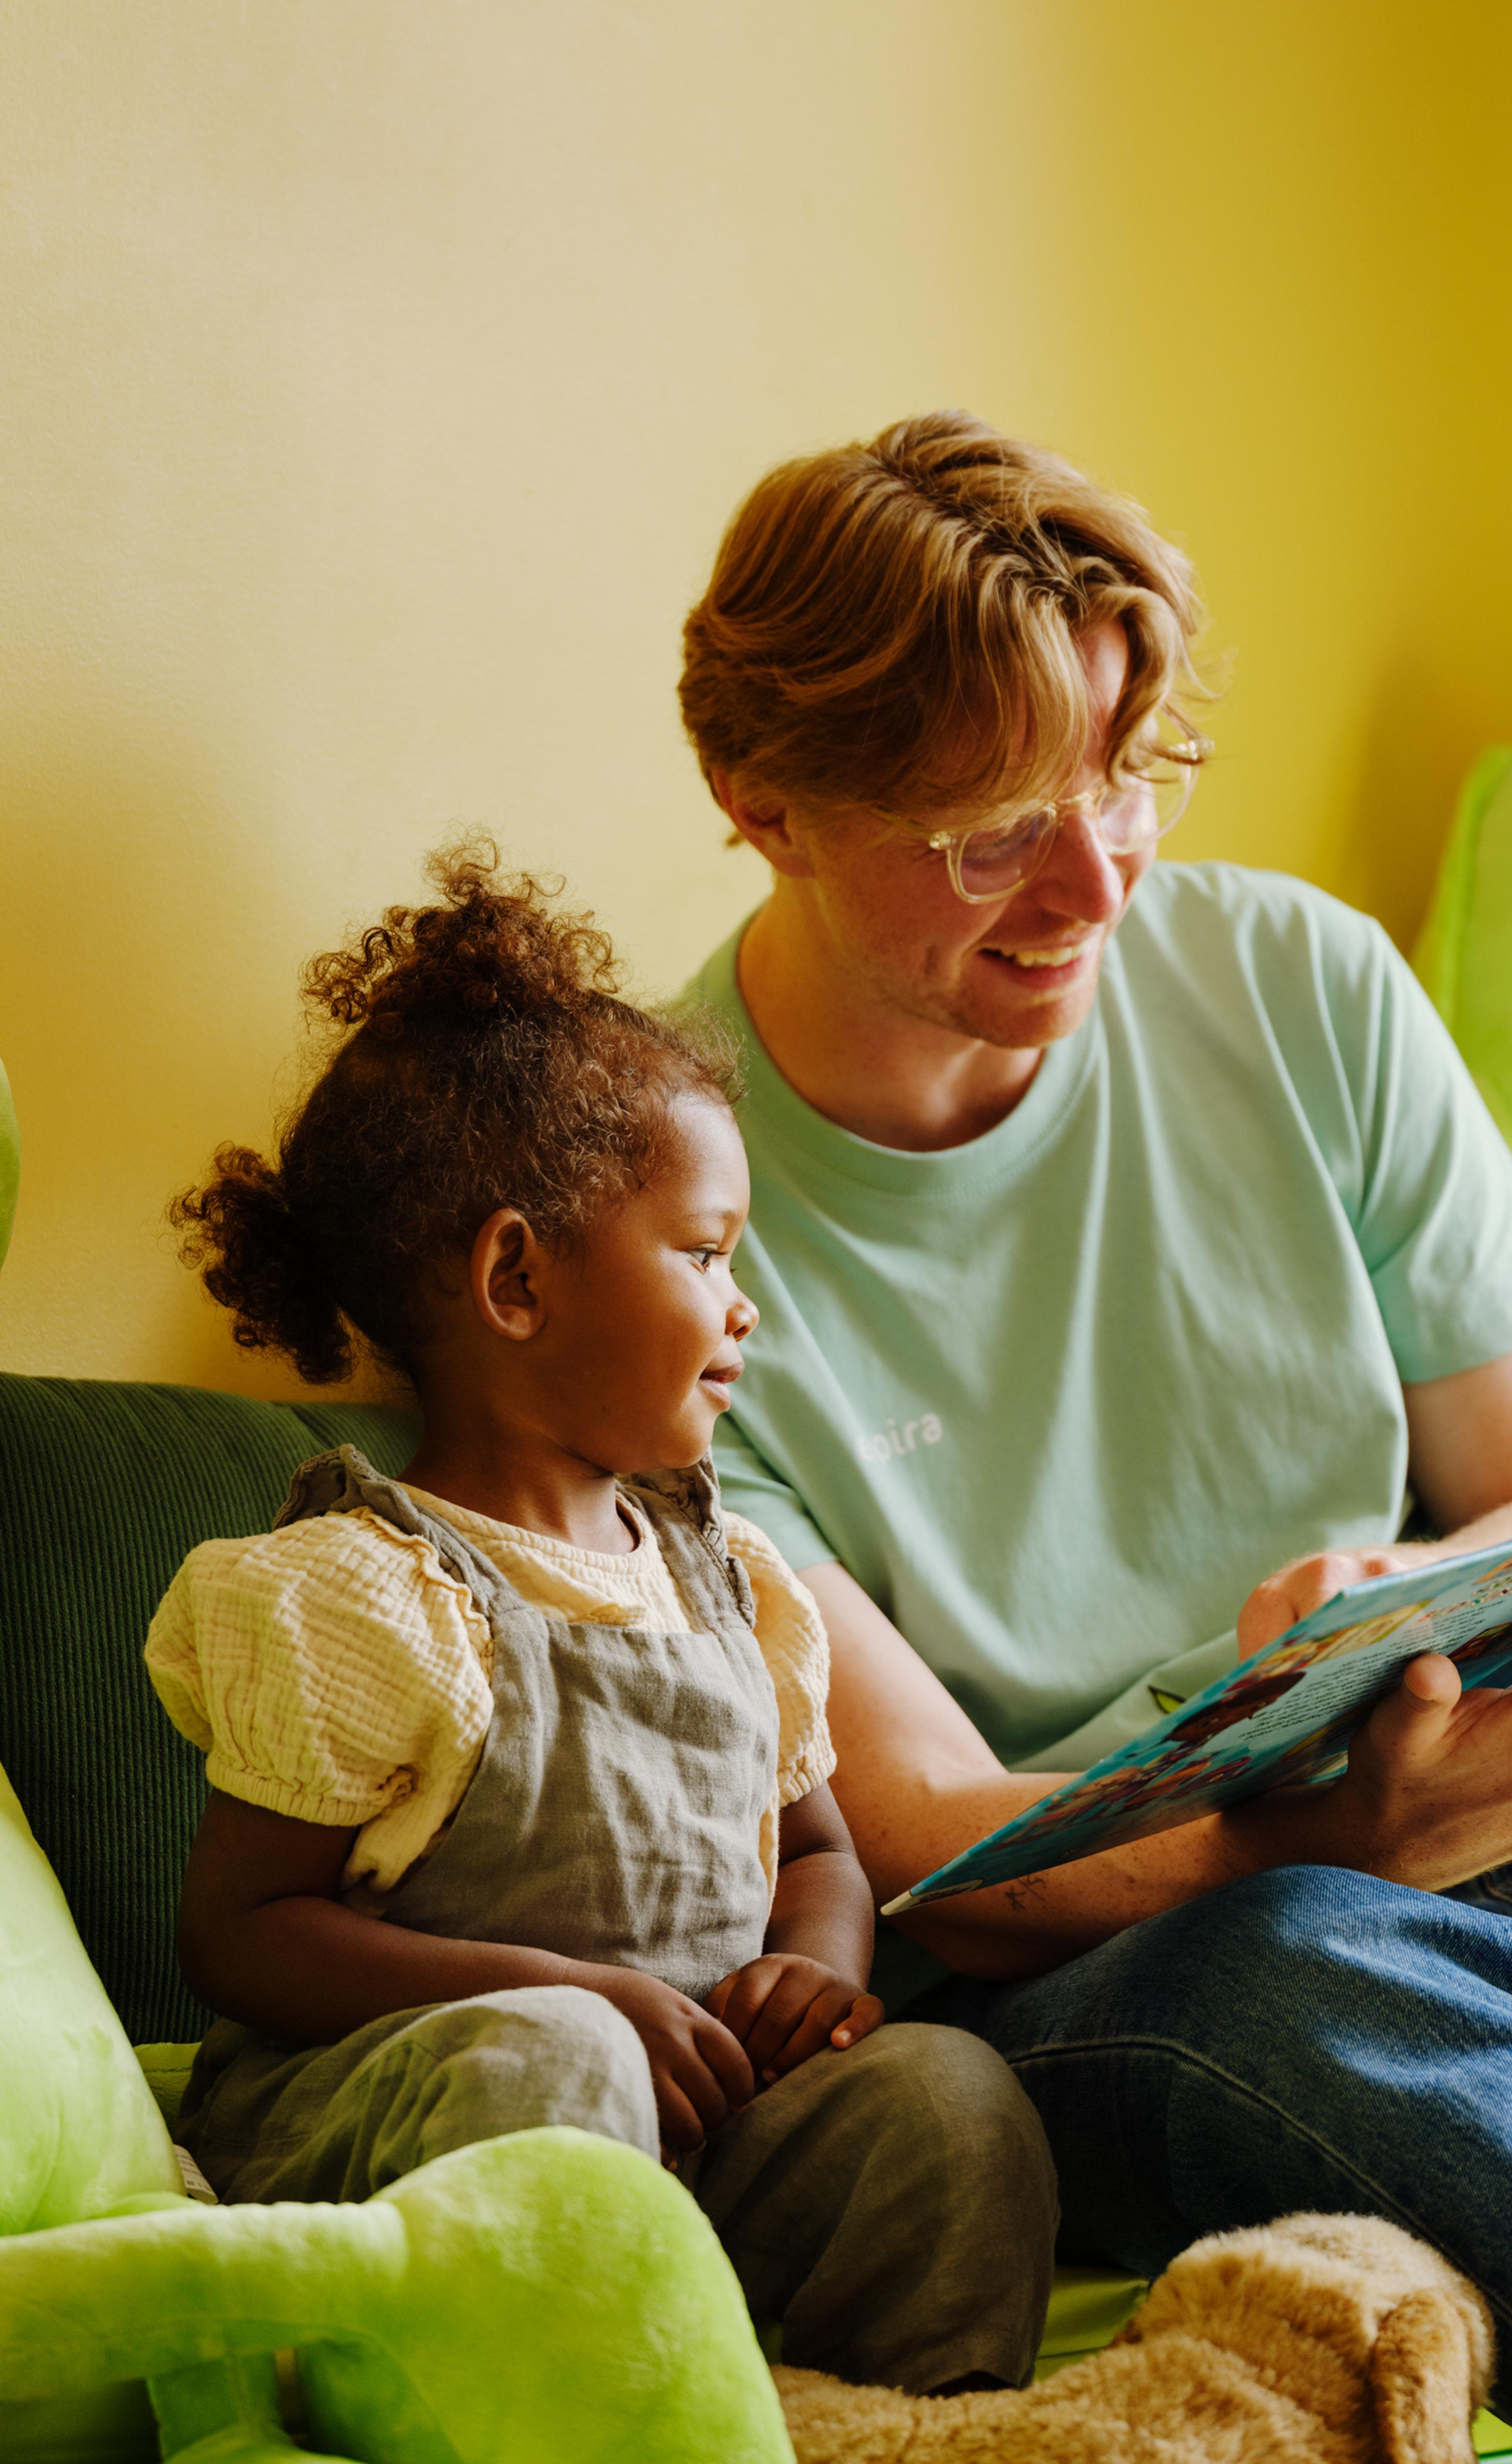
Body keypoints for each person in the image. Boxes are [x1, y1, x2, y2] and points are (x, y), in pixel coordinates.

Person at [677, 411, 1512, 2464]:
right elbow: (945, 1850)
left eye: (1127, 774)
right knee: (1306, 1957)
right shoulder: (661, 1223)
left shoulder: (1301, 980)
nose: (1093, 878)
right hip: (1143, 1966)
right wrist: (1340, 1835)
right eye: (993, 820)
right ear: (767, 804)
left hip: (1488, 1767)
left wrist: (1416, 1599)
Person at [143, 846, 1058, 2396]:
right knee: (555, 2065)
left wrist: (819, 1972)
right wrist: (566, 1996)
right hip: (441, 2129)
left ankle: (896, 2423)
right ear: (517, 1277)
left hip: (702, 2134)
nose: (744, 1301)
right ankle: (553, 2408)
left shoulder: (735, 1583)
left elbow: (824, 1852)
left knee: (944, 2095)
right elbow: (238, 1937)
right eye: (706, 1255)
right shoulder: (373, 1593)